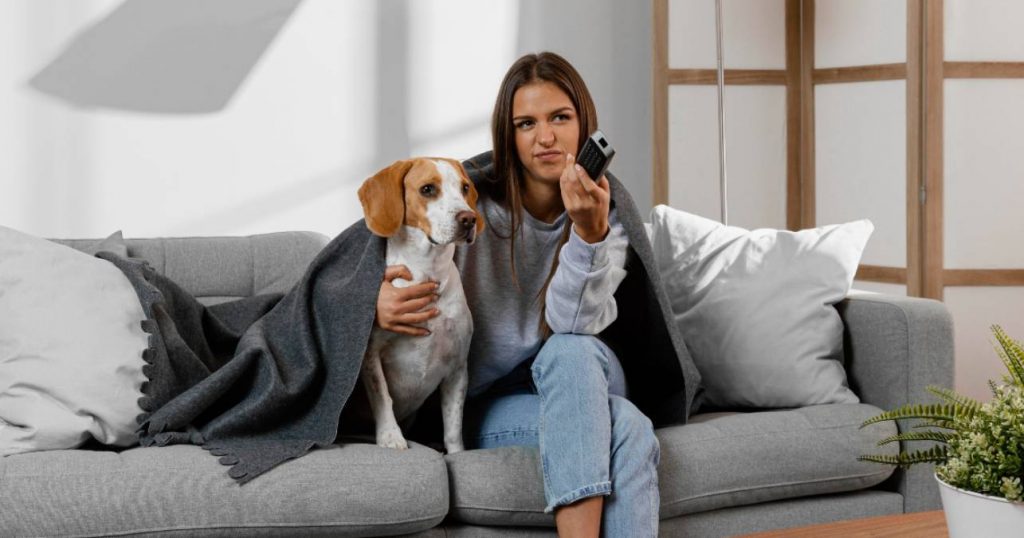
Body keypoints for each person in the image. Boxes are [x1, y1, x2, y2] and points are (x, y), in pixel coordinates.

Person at [375, 51, 662, 537]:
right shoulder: (466, 203)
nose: (545, 137)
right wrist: (372, 302)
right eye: (526, 124)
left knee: (569, 350)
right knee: (629, 429)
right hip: (497, 398)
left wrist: (588, 234)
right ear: (508, 137)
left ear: (584, 123)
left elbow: (574, 325)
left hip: (585, 374)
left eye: (560, 118)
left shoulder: (607, 211)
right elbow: (372, 240)